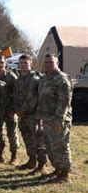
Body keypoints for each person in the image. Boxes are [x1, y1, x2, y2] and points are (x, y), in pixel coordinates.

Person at [35, 54, 73, 183]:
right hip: (46, 119)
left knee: (61, 146)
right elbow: (42, 100)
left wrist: (58, 119)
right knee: (50, 147)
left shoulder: (61, 79)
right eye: (46, 62)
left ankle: (65, 173)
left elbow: (64, 102)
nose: (48, 64)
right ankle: (57, 169)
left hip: (58, 120)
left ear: (57, 63)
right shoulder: (46, 78)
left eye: (51, 62)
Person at [13, 55, 46, 171]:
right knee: (27, 138)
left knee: (38, 139)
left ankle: (41, 163)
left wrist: (22, 111)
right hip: (23, 116)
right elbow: (15, 96)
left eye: (25, 63)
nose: (22, 65)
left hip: (33, 115)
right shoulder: (18, 80)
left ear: (31, 64)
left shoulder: (35, 79)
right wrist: (17, 110)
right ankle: (32, 160)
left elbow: (32, 98)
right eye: (21, 63)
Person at [0, 55, 19, 164]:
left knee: (12, 133)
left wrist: (15, 109)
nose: (0, 65)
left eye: (2, 62)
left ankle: (14, 156)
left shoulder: (11, 77)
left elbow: (17, 94)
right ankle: (0, 155)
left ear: (5, 64)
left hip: (9, 110)